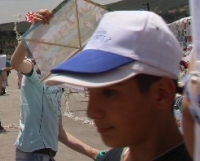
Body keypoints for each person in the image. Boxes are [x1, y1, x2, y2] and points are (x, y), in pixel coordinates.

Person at [44, 10, 190, 161]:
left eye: (109, 93)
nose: (91, 112)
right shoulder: (113, 157)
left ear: (162, 93)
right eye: (89, 91)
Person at [11, 10, 99, 161]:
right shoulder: (35, 73)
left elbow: (59, 132)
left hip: (47, 154)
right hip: (32, 153)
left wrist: (94, 153)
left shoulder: (59, 83)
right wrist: (34, 31)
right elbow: (16, 63)